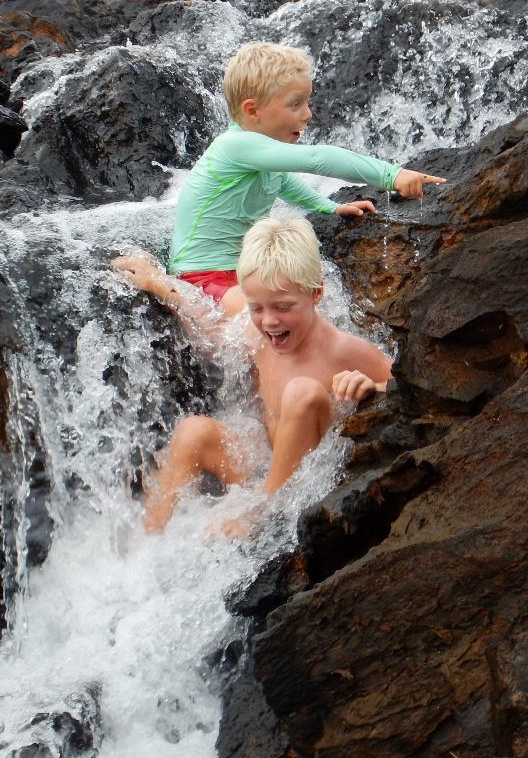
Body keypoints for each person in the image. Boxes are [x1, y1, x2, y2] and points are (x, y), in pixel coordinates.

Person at [112, 218, 393, 535]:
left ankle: (264, 510)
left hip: (303, 472)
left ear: (316, 293)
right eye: (257, 307)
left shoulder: (343, 350)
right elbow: (212, 327)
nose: (270, 321)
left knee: (303, 392)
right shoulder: (253, 325)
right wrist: (160, 284)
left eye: (283, 307)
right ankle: (145, 542)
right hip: (262, 463)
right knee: (193, 431)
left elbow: (406, 382)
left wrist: (372, 385)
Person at [166, 41, 446, 317]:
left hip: (241, 274)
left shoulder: (260, 156)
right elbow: (319, 159)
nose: (308, 113)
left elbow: (284, 182)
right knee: (259, 321)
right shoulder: (235, 146)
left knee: (294, 315)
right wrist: (391, 175)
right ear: (252, 111)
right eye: (295, 104)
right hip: (199, 277)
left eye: (306, 102)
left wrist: (330, 207)